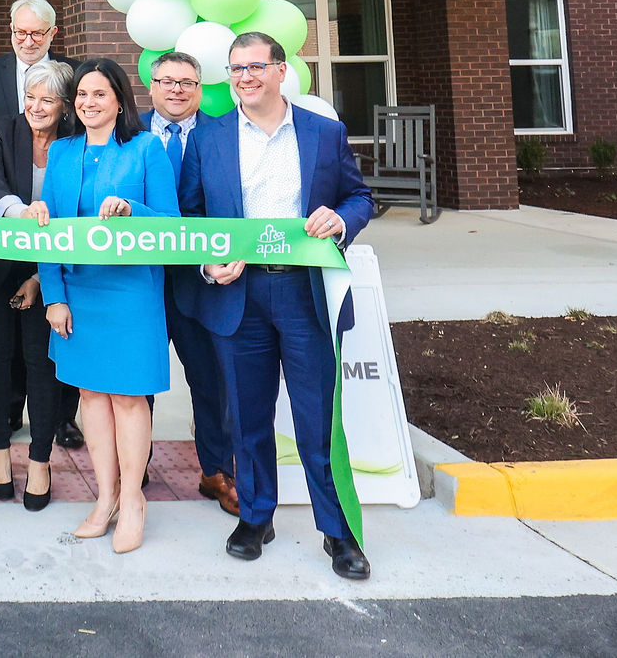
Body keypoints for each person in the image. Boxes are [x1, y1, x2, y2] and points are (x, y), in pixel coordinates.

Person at [176, 32, 376, 581]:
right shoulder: (209, 139)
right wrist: (207, 261)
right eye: (236, 69)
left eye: (256, 67)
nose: (245, 77)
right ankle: (256, 517)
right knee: (247, 416)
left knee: (316, 421)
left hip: (304, 293)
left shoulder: (323, 133)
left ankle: (337, 532)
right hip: (237, 295)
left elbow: (360, 197)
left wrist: (342, 220)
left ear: (281, 71)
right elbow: (192, 216)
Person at [34, 57, 177, 553]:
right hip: (78, 293)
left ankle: (134, 499)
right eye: (82, 95)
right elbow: (46, 231)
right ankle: (107, 496)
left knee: (127, 397)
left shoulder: (146, 148)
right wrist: (53, 296)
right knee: (91, 397)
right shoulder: (62, 152)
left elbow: (171, 225)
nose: (89, 103)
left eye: (100, 93)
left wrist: (132, 211)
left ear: (119, 99)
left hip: (131, 294)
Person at [0, 0, 82, 450]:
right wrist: (15, 209)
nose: (28, 40)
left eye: (37, 32)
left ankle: (58, 420)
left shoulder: (73, 122)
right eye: (20, 31)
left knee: (51, 341)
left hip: (55, 246)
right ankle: (6, 416)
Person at [143, 49, 239, 517]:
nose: (176, 89)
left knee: (210, 379)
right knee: (136, 378)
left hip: (203, 280)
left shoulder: (226, 133)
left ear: (200, 89)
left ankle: (216, 470)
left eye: (187, 82)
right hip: (138, 279)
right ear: (152, 86)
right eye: (167, 80)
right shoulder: (127, 132)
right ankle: (133, 464)